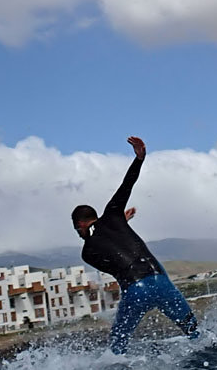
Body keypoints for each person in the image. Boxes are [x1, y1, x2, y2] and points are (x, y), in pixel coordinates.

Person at [72, 136, 199, 354]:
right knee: (193, 332)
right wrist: (139, 158)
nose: (79, 234)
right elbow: (126, 185)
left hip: (135, 290)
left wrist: (118, 225)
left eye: (78, 230)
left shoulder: (87, 252)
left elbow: (114, 262)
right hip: (161, 281)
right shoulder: (113, 214)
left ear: (81, 224)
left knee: (117, 347)